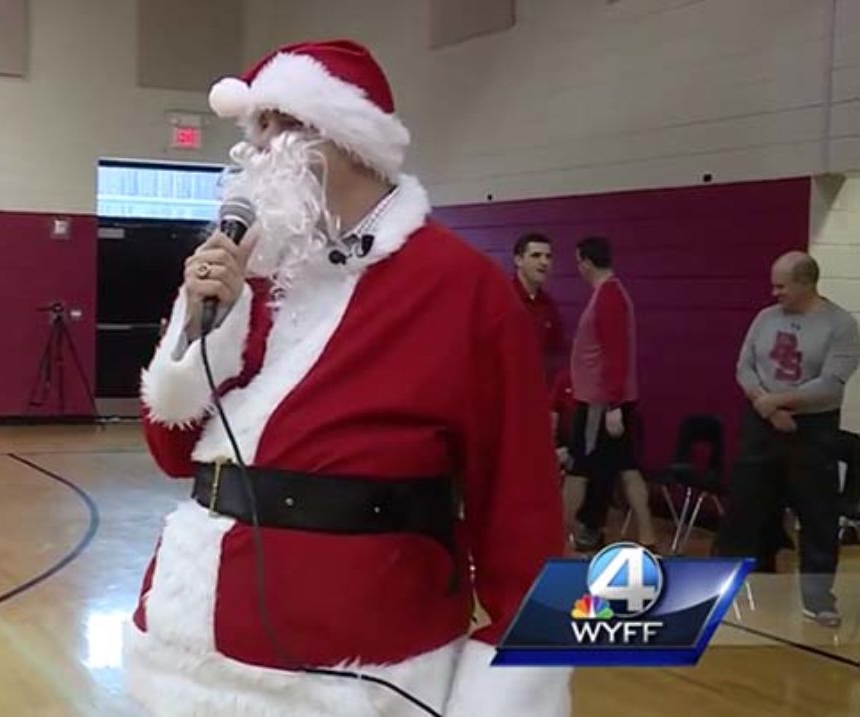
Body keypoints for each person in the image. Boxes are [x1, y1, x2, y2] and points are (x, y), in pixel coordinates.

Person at [124, 39, 570, 716]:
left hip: (361, 671)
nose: (254, 149)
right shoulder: (246, 276)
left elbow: (522, 507)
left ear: (343, 137)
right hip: (187, 647)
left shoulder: (463, 288)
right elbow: (171, 451)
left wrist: (509, 684)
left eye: (274, 125)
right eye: (252, 130)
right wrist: (197, 324)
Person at [714, 251, 859, 628]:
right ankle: (727, 586)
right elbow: (745, 366)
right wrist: (765, 405)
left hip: (811, 429)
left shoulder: (840, 325)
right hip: (762, 422)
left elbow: (830, 384)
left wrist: (779, 401)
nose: (774, 292)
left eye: (782, 286)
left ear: (806, 283)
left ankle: (818, 599)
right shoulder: (766, 318)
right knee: (746, 505)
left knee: (817, 514)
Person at [562, 236, 657, 551]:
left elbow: (616, 353)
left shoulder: (610, 297)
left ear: (587, 263)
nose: (578, 268)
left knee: (578, 469)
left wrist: (613, 404)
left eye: (579, 262)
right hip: (607, 400)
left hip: (600, 403)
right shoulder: (609, 294)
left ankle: (560, 535)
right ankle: (648, 536)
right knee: (627, 467)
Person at [513, 233, 565, 378]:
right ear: (519, 260)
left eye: (548, 256)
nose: (544, 262)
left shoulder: (549, 305)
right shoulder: (504, 300)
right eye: (536, 255)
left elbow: (557, 351)